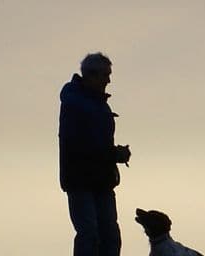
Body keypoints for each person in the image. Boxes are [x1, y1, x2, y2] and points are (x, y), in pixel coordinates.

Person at [59, 52, 131, 256]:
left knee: (108, 234)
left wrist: (113, 153)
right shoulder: (80, 103)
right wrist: (114, 154)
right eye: (105, 75)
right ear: (91, 75)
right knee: (90, 234)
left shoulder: (95, 104)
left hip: (100, 179)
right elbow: (84, 144)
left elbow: (93, 142)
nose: (108, 80)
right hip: (81, 180)